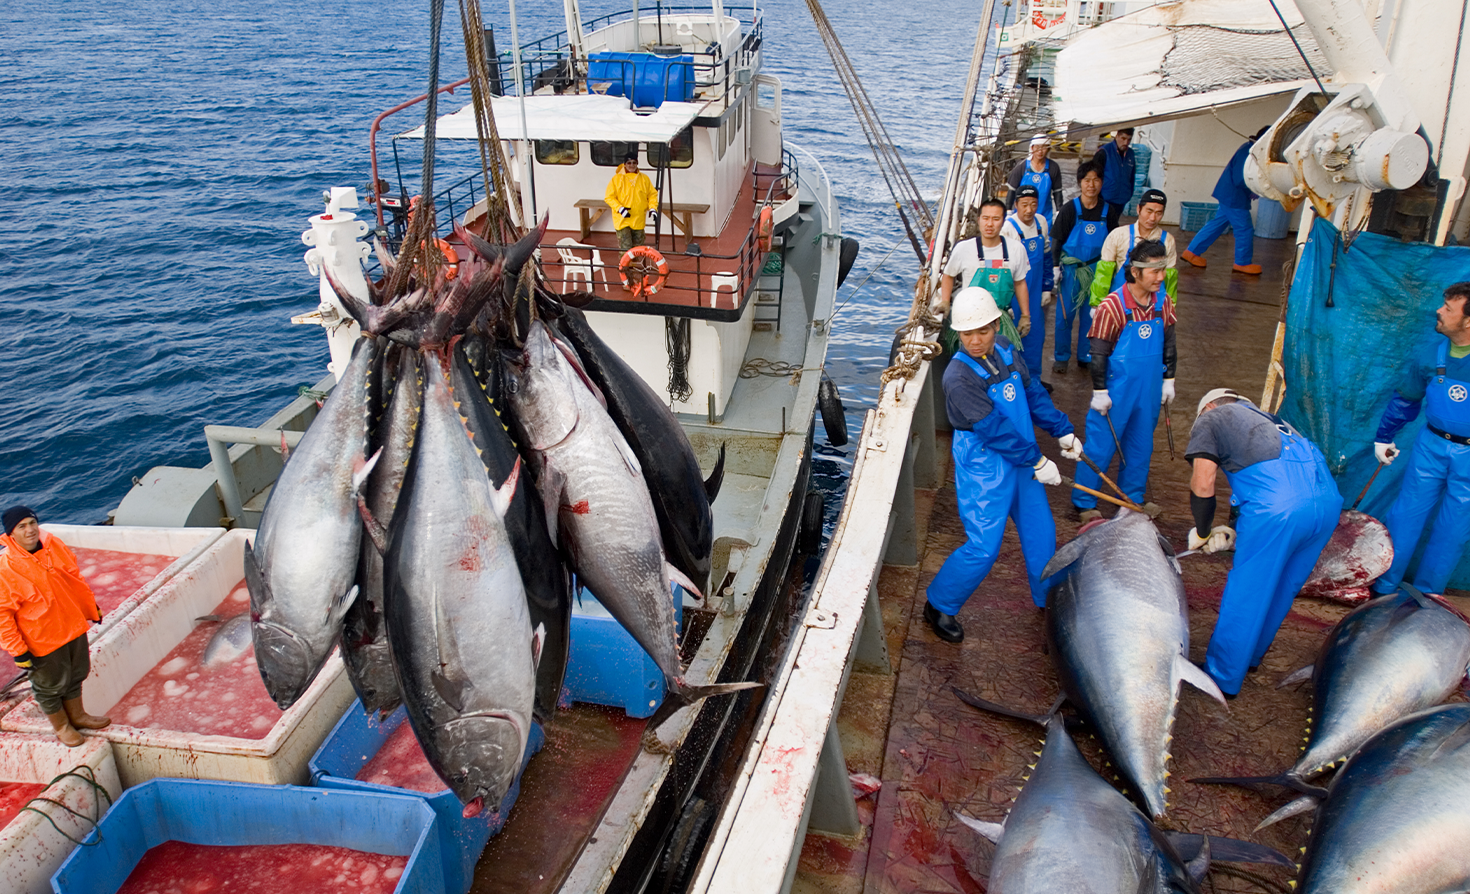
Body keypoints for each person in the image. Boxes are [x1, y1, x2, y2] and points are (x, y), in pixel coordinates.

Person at [923, 288, 1083, 641]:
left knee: (1041, 532)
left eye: (983, 331)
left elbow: (1032, 394)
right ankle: (939, 604)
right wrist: (1038, 459)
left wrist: (1062, 430)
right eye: (967, 334)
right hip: (985, 468)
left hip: (1023, 461)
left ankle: (1047, 600)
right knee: (984, 547)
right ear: (957, 334)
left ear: (997, 325)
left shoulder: (1009, 352)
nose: (976, 340)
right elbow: (993, 428)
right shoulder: (957, 377)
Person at [1187, 390, 1342, 697]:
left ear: (1209, 406)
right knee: (1283, 586)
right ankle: (1251, 658)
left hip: (1279, 507)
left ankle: (1222, 678)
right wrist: (1232, 531)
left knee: (1249, 590)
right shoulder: (1276, 422)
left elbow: (1203, 482)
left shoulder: (1212, 418)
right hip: (1326, 504)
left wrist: (1203, 531)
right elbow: (1261, 479)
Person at [1369, 282, 1470, 597]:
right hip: (1431, 446)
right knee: (1405, 516)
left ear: (1468, 321)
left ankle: (1426, 598)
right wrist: (1384, 437)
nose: (1438, 311)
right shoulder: (1430, 355)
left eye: (1448, 308)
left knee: (1453, 529)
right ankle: (1383, 590)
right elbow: (1407, 399)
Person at [1072, 240, 1177, 522]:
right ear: (1134, 272)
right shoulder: (1112, 306)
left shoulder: (1163, 302)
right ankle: (1084, 500)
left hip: (1149, 389)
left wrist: (1169, 380)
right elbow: (1098, 352)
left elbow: (1169, 342)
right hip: (1116, 391)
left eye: (1162, 270)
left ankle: (1131, 499)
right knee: (1101, 444)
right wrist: (1099, 391)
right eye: (1154, 271)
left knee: (1141, 444)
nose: (1160, 277)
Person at [0, 507, 110, 746]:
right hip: (42, 640)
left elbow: (74, 579)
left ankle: (78, 716)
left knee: (76, 674)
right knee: (49, 687)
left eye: (32, 523)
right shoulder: (6, 569)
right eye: (22, 526)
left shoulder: (53, 546)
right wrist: (18, 650)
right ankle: (62, 726)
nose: (30, 530)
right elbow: (2, 617)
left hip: (72, 627)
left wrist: (91, 607)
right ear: (10, 533)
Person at [938, 199, 1031, 356]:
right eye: (986, 218)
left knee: (1004, 358)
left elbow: (1020, 283)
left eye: (996, 219)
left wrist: (1025, 316)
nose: (990, 224)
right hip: (970, 318)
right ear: (979, 220)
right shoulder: (963, 248)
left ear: (1003, 222)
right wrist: (945, 301)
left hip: (1000, 320)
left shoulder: (1016, 249)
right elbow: (948, 275)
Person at [1180, 127, 1269, 275]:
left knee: (1217, 224)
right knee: (1244, 229)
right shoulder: (1249, 153)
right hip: (1235, 197)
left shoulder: (1248, 148)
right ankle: (1242, 262)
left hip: (1228, 194)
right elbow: (1241, 178)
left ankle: (1192, 252)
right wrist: (1255, 188)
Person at [1051, 161, 1113, 373]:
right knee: (1065, 316)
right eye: (1087, 180)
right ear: (1080, 183)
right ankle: (1061, 356)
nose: (1091, 185)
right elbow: (1057, 241)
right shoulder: (1069, 210)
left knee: (1092, 315)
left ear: (1102, 183)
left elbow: (1114, 243)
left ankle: (1085, 355)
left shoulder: (1109, 212)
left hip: (1096, 272)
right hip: (1071, 271)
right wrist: (1055, 267)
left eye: (1096, 180)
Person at [1089, 188, 1178, 305]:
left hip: (1151, 306)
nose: (1152, 218)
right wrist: (1097, 304)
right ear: (1138, 209)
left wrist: (1170, 308)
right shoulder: (1119, 235)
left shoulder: (1168, 241)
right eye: (1149, 211)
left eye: (1158, 213)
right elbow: (1103, 274)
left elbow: (1169, 280)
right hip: (1120, 304)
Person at [1004, 185, 1054, 380]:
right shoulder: (1008, 228)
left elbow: (1047, 255)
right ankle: (1015, 380)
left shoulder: (1041, 223)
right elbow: (1003, 268)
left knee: (1035, 336)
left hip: (1035, 292)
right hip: (1015, 294)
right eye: (1024, 205)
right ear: (1016, 205)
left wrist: (1047, 287)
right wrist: (1007, 302)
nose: (1029, 210)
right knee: (1012, 339)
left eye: (1033, 204)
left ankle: (1034, 381)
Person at [604, 151, 659, 252]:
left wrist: (653, 208)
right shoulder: (616, 179)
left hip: (638, 219)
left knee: (638, 247)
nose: (632, 165)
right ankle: (625, 267)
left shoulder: (644, 179)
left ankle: (637, 267)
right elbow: (609, 197)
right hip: (622, 220)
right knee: (626, 247)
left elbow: (652, 194)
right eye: (629, 163)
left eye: (634, 162)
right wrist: (620, 209)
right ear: (624, 164)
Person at [1006, 135, 1065, 223]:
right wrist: (1008, 211)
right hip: (1021, 214)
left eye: (1044, 147)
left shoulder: (1053, 167)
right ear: (1032, 148)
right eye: (1037, 147)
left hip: (1044, 214)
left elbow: (1057, 191)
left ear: (1048, 149)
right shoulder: (1021, 166)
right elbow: (1012, 190)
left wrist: (1058, 211)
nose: (1040, 151)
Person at [1092, 128, 1137, 233]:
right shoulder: (1104, 152)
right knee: (1101, 228)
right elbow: (1094, 177)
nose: (1126, 142)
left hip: (1121, 200)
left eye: (1129, 139)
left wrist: (1129, 194)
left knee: (1113, 227)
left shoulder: (1131, 154)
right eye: (1123, 138)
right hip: (1104, 199)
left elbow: (1132, 177)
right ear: (1117, 136)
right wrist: (1096, 198)